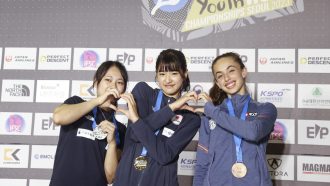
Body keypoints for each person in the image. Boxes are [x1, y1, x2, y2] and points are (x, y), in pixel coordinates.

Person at [113, 49, 201, 186]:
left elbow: (164, 155)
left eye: (174, 73)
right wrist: (172, 108)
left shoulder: (191, 118)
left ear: (184, 74)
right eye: (162, 73)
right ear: (156, 76)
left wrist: (137, 120)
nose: (167, 79)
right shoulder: (143, 92)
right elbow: (134, 136)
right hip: (126, 178)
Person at [193, 52, 277, 186]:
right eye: (220, 76)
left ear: (243, 72)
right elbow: (202, 164)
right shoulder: (209, 116)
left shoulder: (266, 109)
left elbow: (253, 132)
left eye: (231, 70)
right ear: (218, 83)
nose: (226, 78)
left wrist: (213, 111)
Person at [50, 61, 128, 186]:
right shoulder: (76, 103)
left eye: (119, 82)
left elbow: (110, 177)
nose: (113, 86)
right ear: (96, 83)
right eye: (108, 80)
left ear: (122, 90)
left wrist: (112, 143)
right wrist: (97, 101)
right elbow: (58, 117)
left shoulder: (120, 129)